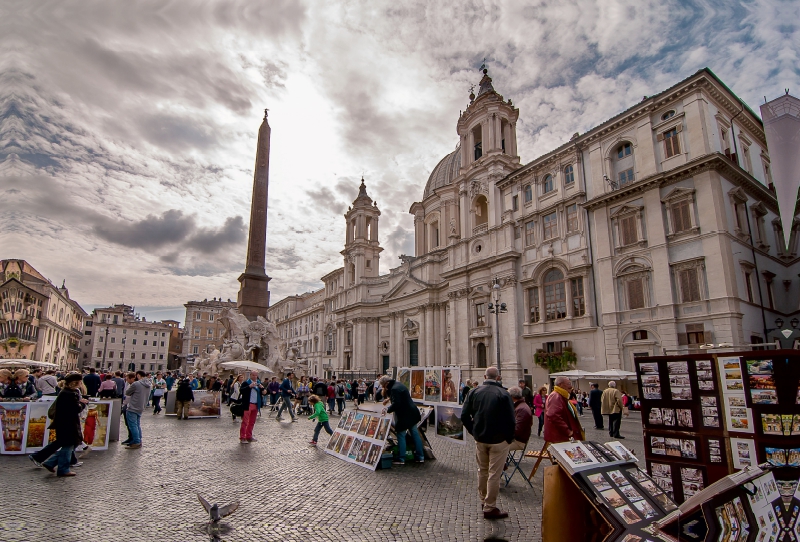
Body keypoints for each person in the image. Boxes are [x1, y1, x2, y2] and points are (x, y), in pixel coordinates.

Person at [461, 367, 515, 520]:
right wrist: (508, 438)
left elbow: (464, 415)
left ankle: (483, 500)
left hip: (481, 438)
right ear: (498, 377)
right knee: (494, 474)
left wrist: (474, 432)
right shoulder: (504, 394)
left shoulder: (473, 392)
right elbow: (511, 421)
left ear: (484, 376)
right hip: (499, 440)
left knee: (482, 470)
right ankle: (489, 507)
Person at [32, 373, 88, 477]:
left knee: (67, 444)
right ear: (75, 382)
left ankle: (49, 462)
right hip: (68, 423)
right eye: (80, 382)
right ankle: (62, 468)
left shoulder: (66, 392)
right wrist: (83, 403)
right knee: (68, 445)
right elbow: (75, 409)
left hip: (64, 422)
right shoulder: (70, 394)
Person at [380, 375, 423, 466]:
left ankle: (401, 458)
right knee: (415, 434)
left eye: (384, 386)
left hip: (404, 415)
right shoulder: (399, 384)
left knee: (401, 435)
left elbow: (397, 404)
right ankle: (420, 457)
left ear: (387, 383)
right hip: (412, 412)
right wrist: (388, 399)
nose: (385, 388)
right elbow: (400, 397)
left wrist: (387, 409)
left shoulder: (394, 389)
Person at [544, 376, 584, 444]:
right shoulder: (556, 396)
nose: (571, 386)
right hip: (560, 438)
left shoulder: (562, 396)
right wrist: (567, 431)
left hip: (563, 437)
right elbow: (553, 415)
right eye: (568, 383)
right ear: (560, 385)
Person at [124, 370, 151, 449]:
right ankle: (139, 439)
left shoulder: (136, 384)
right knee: (137, 425)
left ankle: (136, 441)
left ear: (138, 375)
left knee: (133, 425)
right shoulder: (149, 384)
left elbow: (127, 392)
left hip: (133, 406)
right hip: (141, 406)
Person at [507, 386, 533, 451]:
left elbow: (517, 430)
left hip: (518, 441)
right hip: (516, 439)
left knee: (494, 447)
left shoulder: (522, 409)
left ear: (511, 396)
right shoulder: (520, 406)